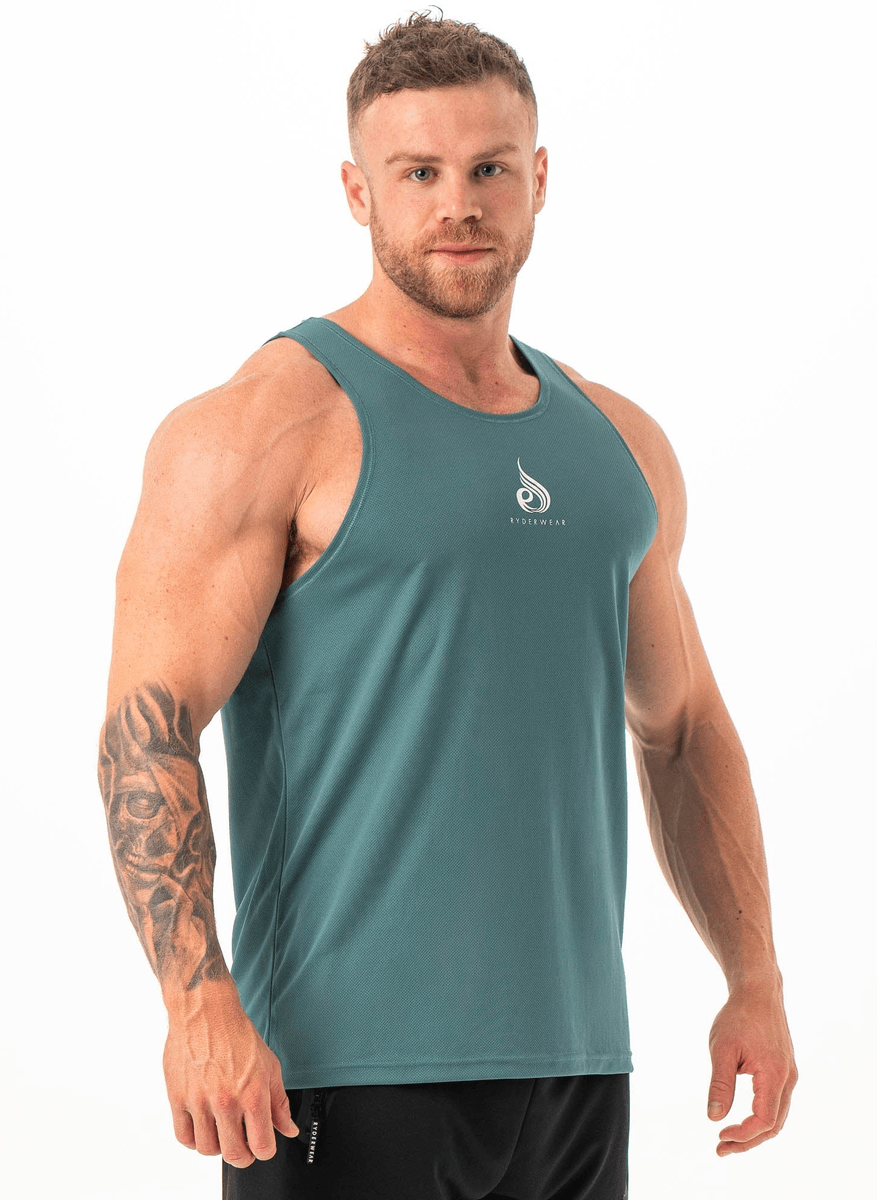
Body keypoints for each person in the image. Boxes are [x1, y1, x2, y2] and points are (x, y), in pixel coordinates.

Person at [97, 12, 798, 1199]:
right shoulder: (266, 424)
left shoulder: (619, 445)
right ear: (358, 192)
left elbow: (681, 729)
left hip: (577, 1071)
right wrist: (197, 1000)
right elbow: (146, 728)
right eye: (418, 172)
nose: (458, 205)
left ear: (540, 179)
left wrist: (756, 979)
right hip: (336, 1071)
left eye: (489, 169)